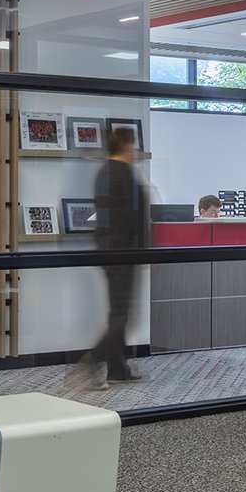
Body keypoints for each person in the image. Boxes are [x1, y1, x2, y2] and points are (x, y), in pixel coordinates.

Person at [82, 127, 148, 386]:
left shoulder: (107, 172)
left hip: (116, 251)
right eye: (132, 144)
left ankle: (117, 369)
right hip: (122, 252)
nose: (135, 149)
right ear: (125, 144)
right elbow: (128, 218)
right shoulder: (117, 173)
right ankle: (94, 358)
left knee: (118, 313)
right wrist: (142, 251)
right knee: (122, 314)